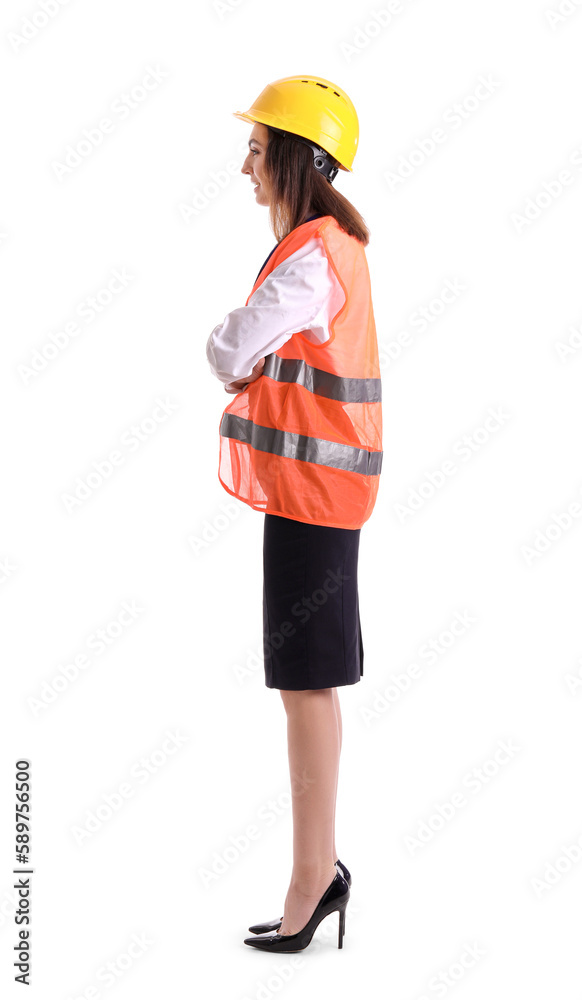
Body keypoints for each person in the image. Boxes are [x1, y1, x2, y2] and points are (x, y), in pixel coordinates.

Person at [205, 75, 383, 953]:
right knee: (307, 681)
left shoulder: (312, 253)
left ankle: (315, 878)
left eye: (254, 146)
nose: (244, 163)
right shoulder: (331, 246)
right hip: (321, 495)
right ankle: (319, 872)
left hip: (314, 500)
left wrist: (233, 350)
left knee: (305, 682)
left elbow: (231, 346)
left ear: (292, 155)